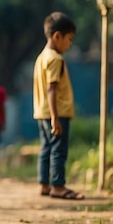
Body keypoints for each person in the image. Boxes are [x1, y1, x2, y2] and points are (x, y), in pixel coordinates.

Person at [33, 12, 84, 200]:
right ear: (57, 36)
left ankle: (43, 184)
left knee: (46, 148)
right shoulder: (55, 59)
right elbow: (51, 89)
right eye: (69, 39)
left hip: (42, 112)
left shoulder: (41, 57)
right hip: (56, 112)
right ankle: (58, 185)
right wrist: (55, 117)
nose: (69, 44)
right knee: (58, 150)